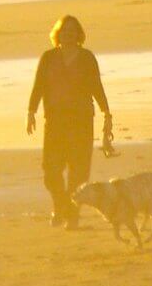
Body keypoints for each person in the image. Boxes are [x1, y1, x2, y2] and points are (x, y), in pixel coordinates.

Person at [26, 14, 112, 227]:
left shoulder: (87, 58)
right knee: (50, 171)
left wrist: (106, 112)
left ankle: (71, 216)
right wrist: (31, 111)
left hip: (81, 121)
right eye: (65, 31)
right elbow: (39, 85)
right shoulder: (48, 57)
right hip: (55, 121)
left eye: (73, 31)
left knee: (78, 172)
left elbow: (96, 86)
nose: (69, 34)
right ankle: (62, 206)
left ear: (79, 34)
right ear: (58, 34)